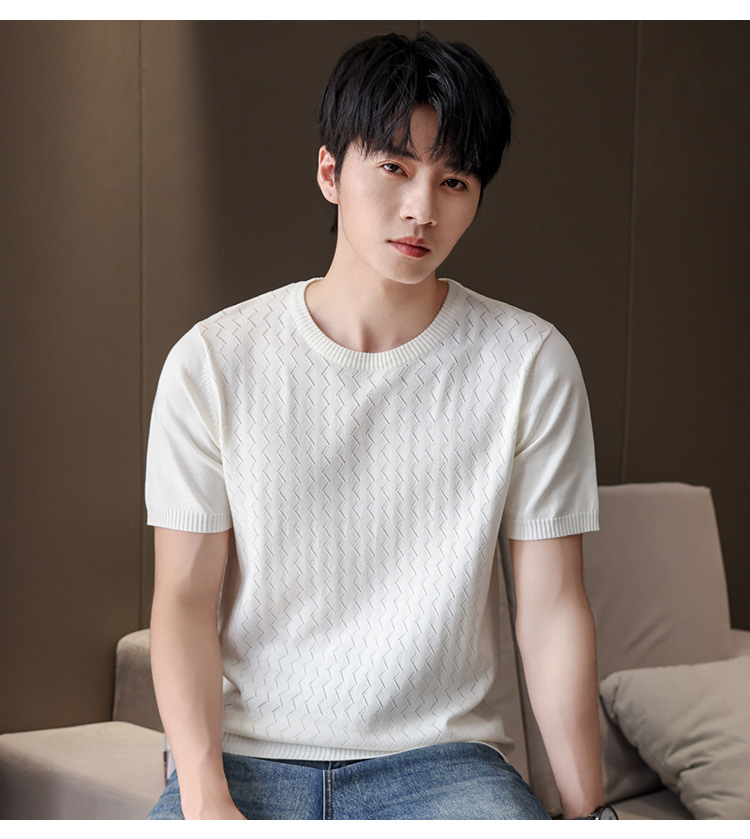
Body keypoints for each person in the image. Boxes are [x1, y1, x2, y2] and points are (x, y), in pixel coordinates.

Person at [144, 30, 607, 820]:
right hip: (250, 759)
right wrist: (204, 792)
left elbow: (553, 608)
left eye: (453, 180)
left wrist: (589, 809)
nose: (422, 209)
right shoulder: (212, 361)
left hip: (446, 766)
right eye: (395, 167)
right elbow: (183, 600)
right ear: (331, 172)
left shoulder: (530, 362)